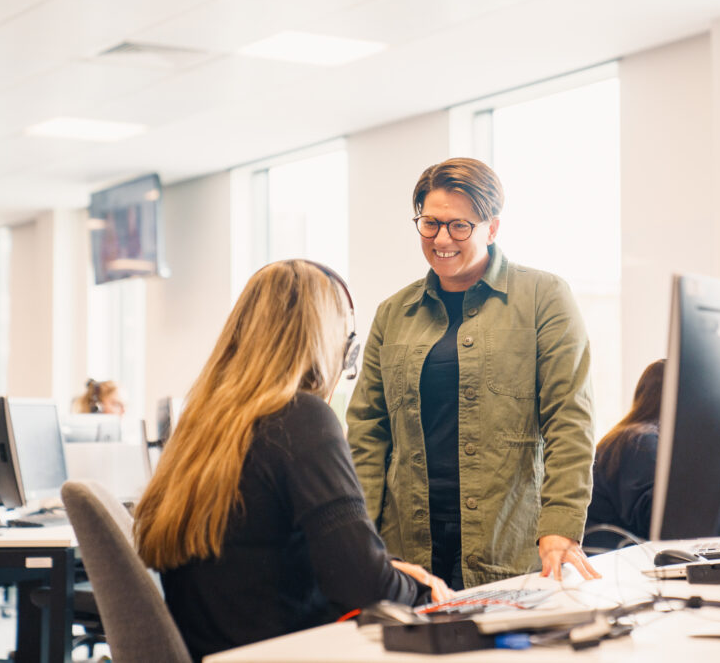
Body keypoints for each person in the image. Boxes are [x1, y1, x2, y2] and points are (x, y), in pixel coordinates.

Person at [134, 260, 450, 662]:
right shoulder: (299, 417)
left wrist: (393, 571)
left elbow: (277, 555)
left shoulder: (203, 425)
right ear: (331, 342)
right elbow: (365, 588)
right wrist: (427, 592)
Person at [347, 157, 599, 590]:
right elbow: (368, 431)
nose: (442, 238)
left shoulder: (544, 296)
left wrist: (560, 522)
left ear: (492, 228)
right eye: (430, 223)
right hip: (409, 548)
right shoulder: (393, 313)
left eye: (459, 226)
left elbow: (569, 418)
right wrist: (359, 540)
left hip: (509, 546)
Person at [584, 359, 664, 550]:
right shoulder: (640, 442)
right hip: (613, 563)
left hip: (610, 558)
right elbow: (656, 521)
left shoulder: (628, 436)